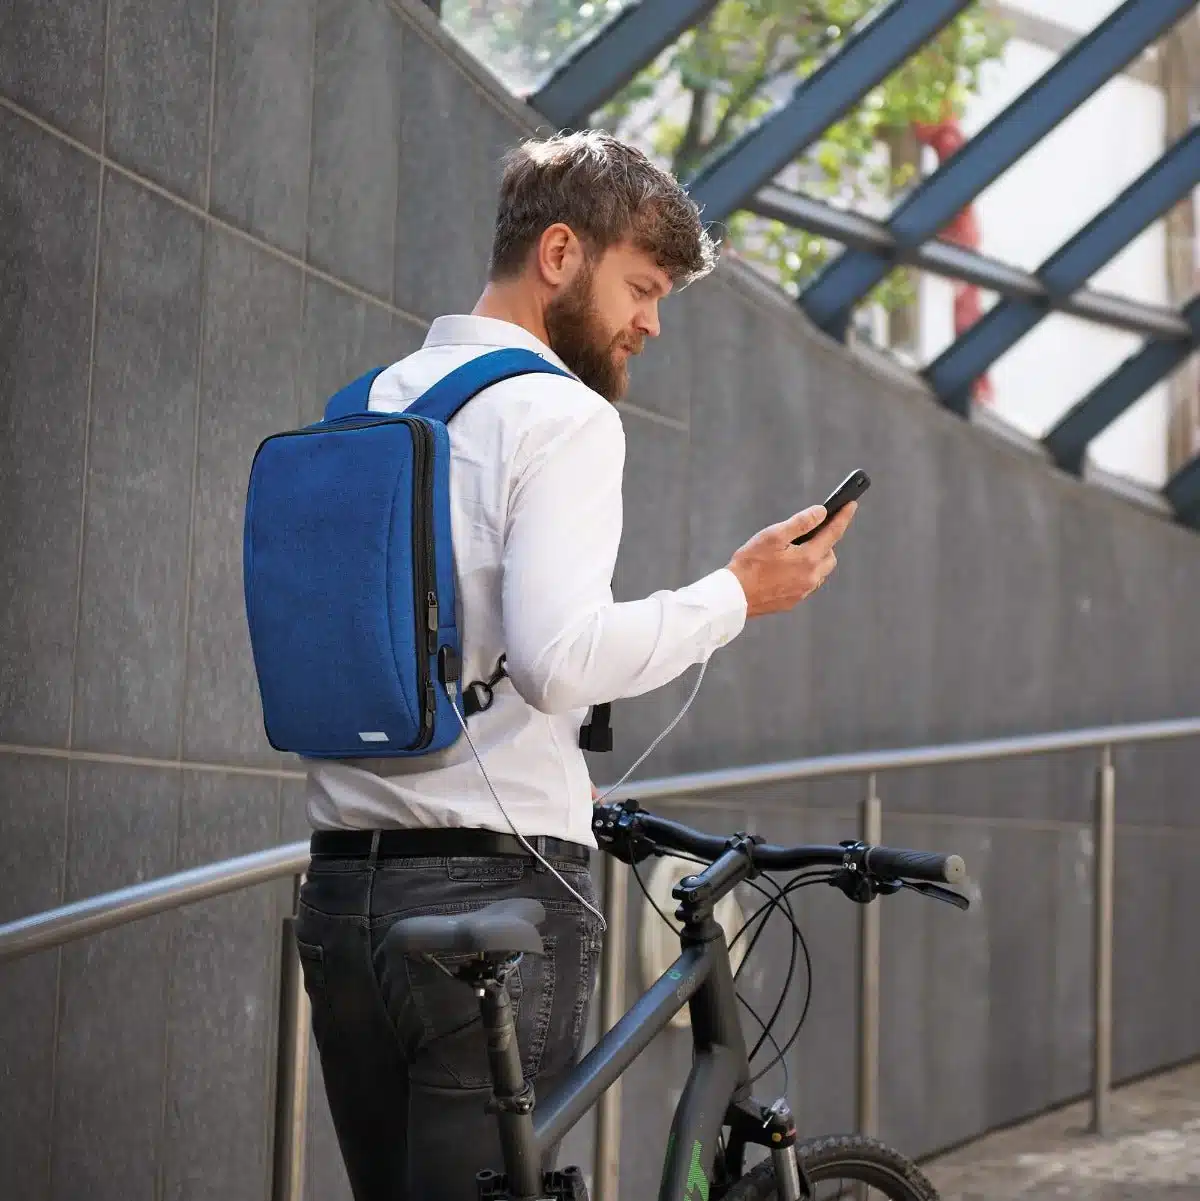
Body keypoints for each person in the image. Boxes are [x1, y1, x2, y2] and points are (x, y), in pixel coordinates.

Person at [292, 129, 858, 1201]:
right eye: (641, 287)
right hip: (487, 902)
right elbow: (560, 660)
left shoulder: (370, 404)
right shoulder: (561, 413)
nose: (651, 322)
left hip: (341, 894)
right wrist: (737, 593)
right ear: (560, 253)